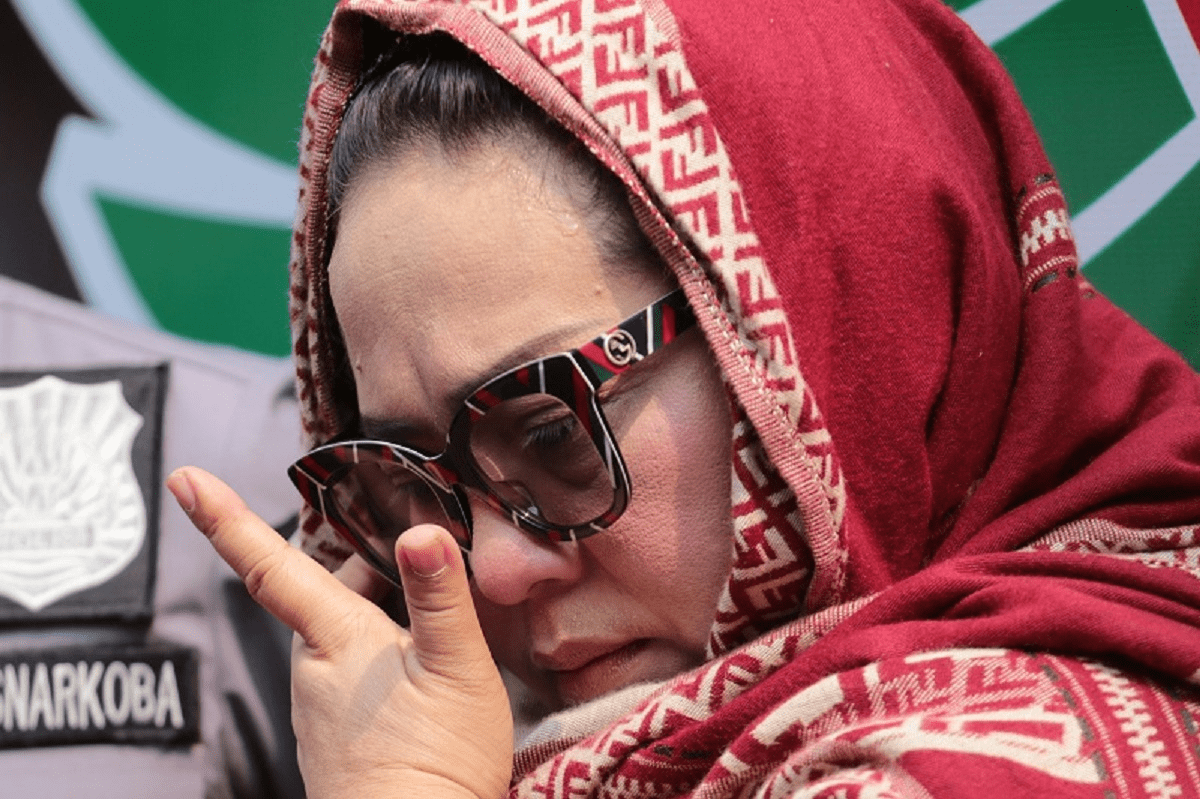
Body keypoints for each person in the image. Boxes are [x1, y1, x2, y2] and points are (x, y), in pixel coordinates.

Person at [166, 0, 1200, 796]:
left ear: (813, 337)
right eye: (410, 483)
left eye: (551, 431)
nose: (495, 572)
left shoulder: (976, 768)